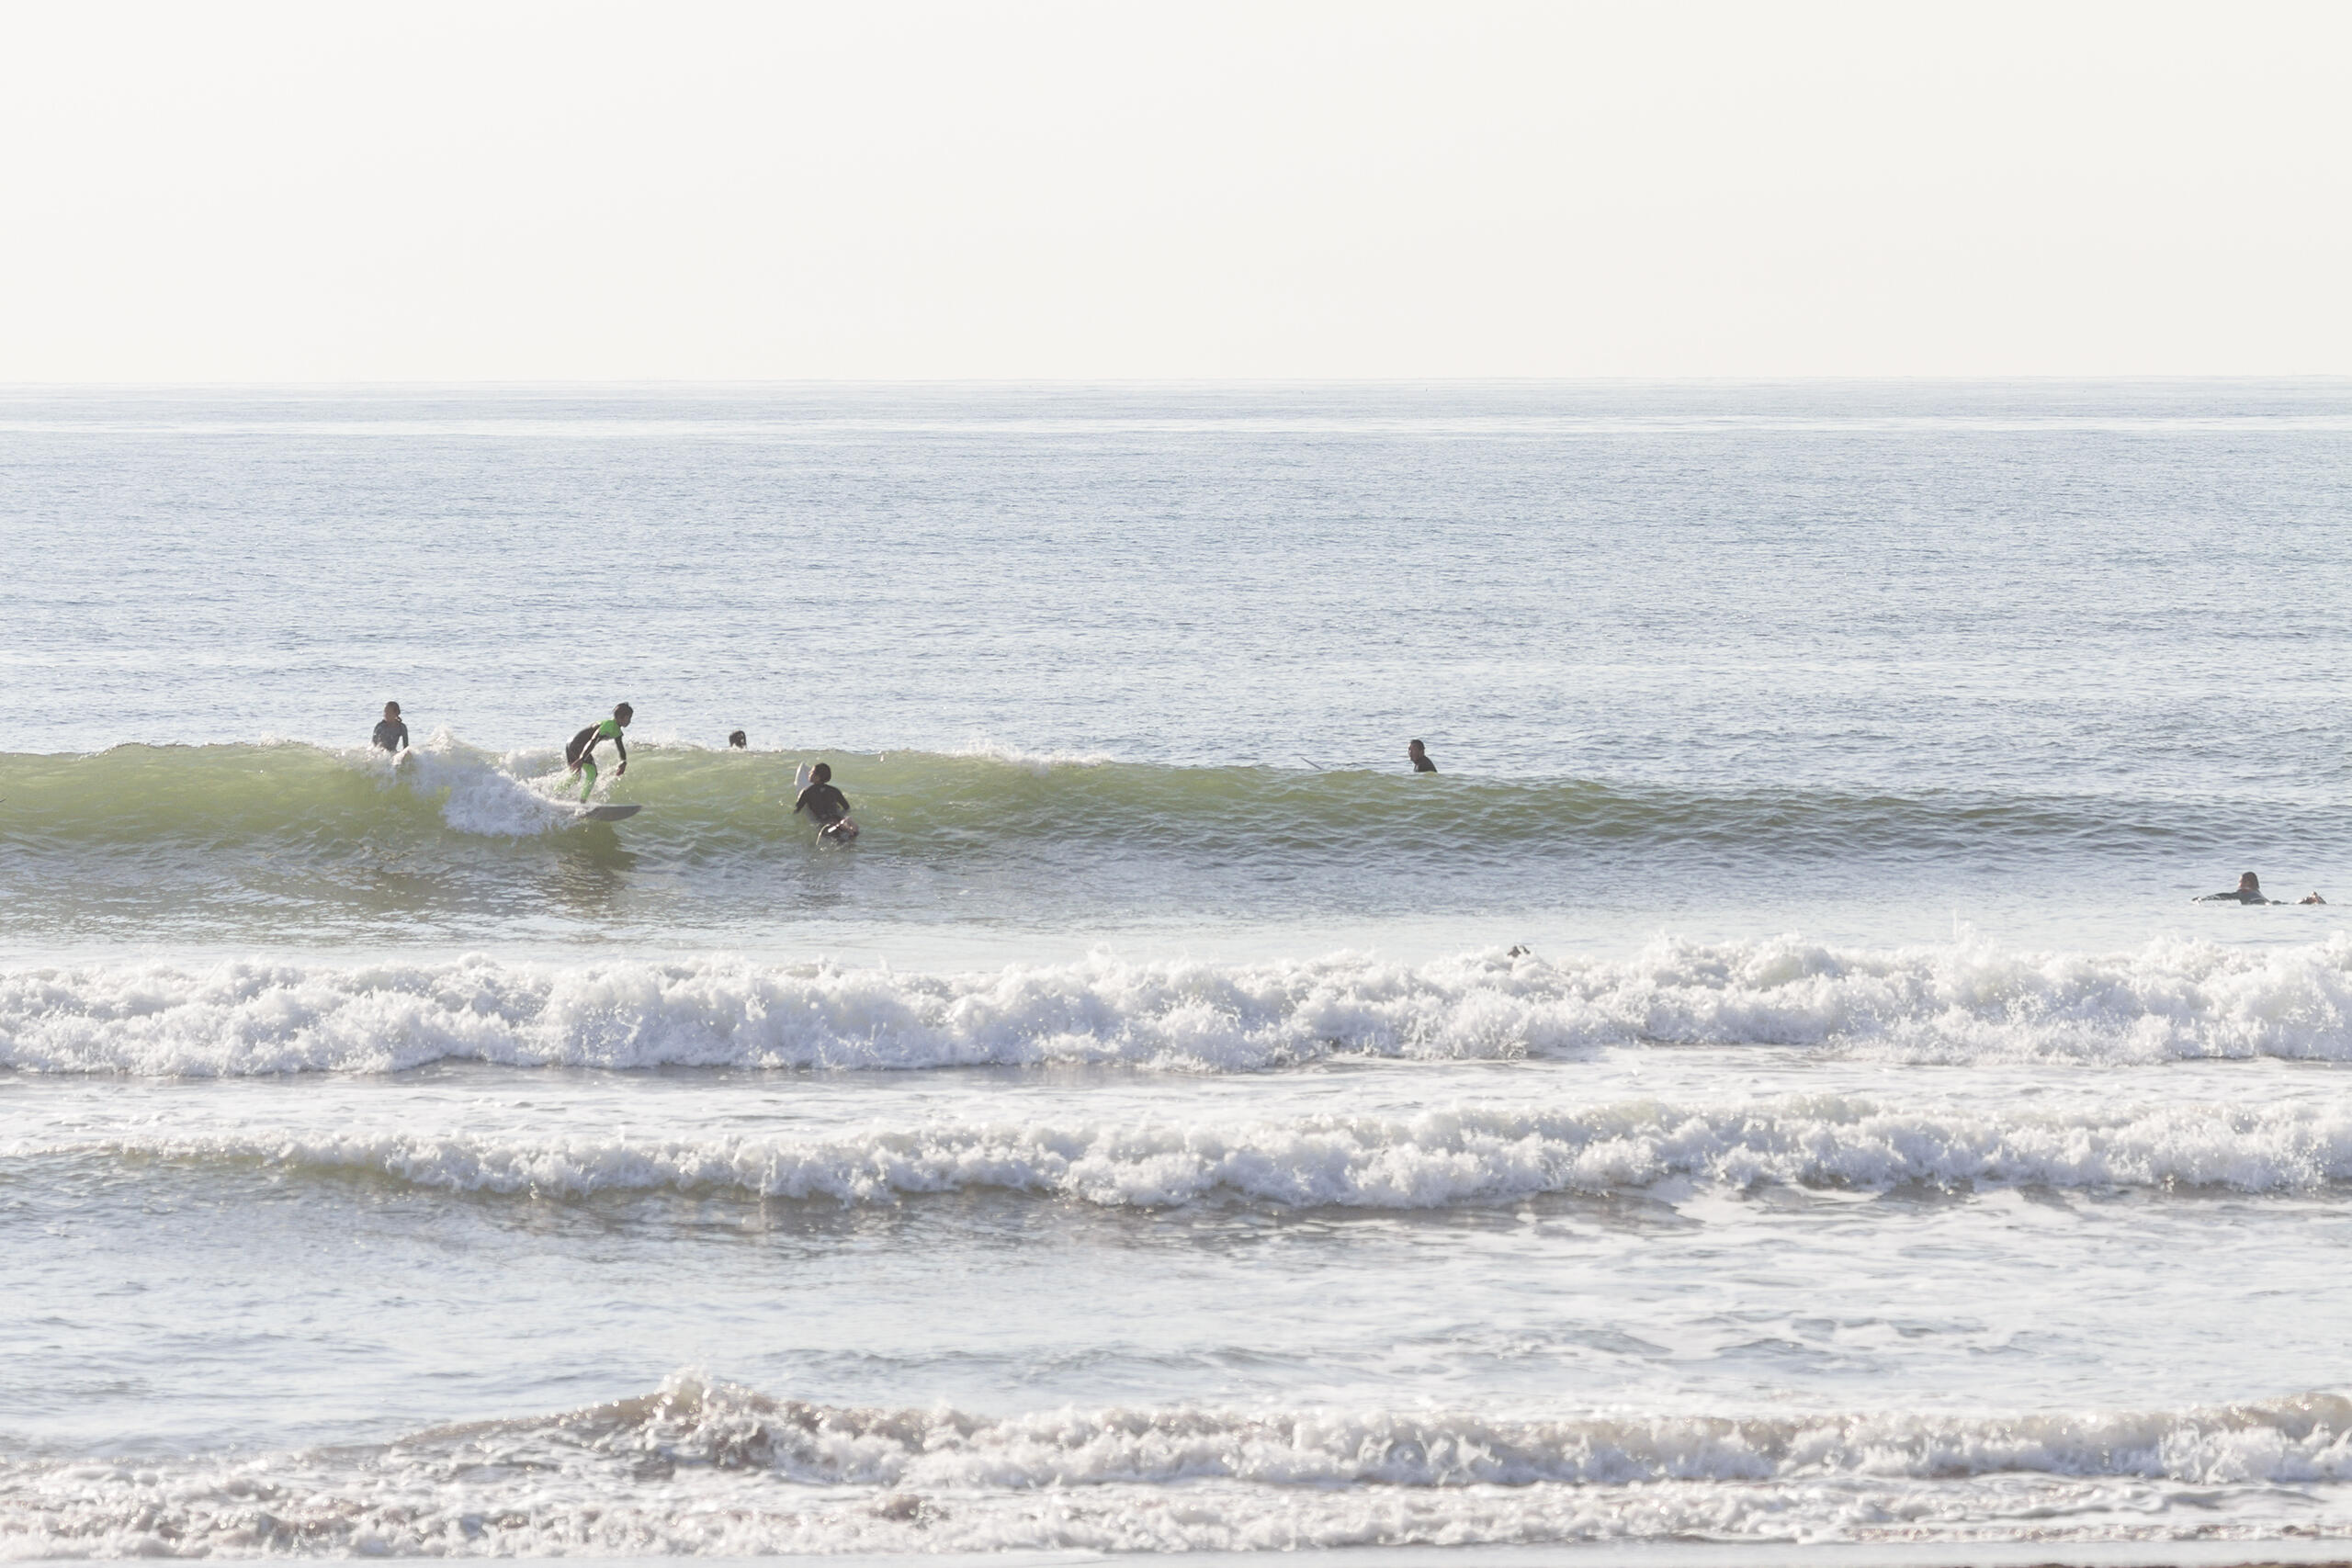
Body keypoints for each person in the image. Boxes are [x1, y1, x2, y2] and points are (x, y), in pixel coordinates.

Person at [565, 703, 632, 803]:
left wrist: (623, 761)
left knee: (575, 777)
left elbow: (620, 747)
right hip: (578, 746)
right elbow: (593, 740)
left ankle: (554, 793)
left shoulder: (616, 730)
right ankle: (582, 802)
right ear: (619, 717)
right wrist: (582, 759)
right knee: (592, 772)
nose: (630, 721)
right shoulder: (608, 726)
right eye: (628, 718)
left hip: (571, 744)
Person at [793, 761, 855, 837]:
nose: (809, 773)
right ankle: (846, 827)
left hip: (823, 821)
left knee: (833, 837)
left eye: (812, 772)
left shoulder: (807, 792)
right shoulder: (834, 790)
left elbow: (797, 809)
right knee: (843, 837)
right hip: (837, 818)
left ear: (817, 777)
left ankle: (839, 827)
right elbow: (846, 808)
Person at [2198, 872, 2278, 905]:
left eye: (2240, 882)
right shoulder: (2257, 892)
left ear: (2247, 883)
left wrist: (2205, 898)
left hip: (2256, 903)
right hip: (2267, 903)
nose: (2238, 885)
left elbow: (2227, 896)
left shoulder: (2245, 891)